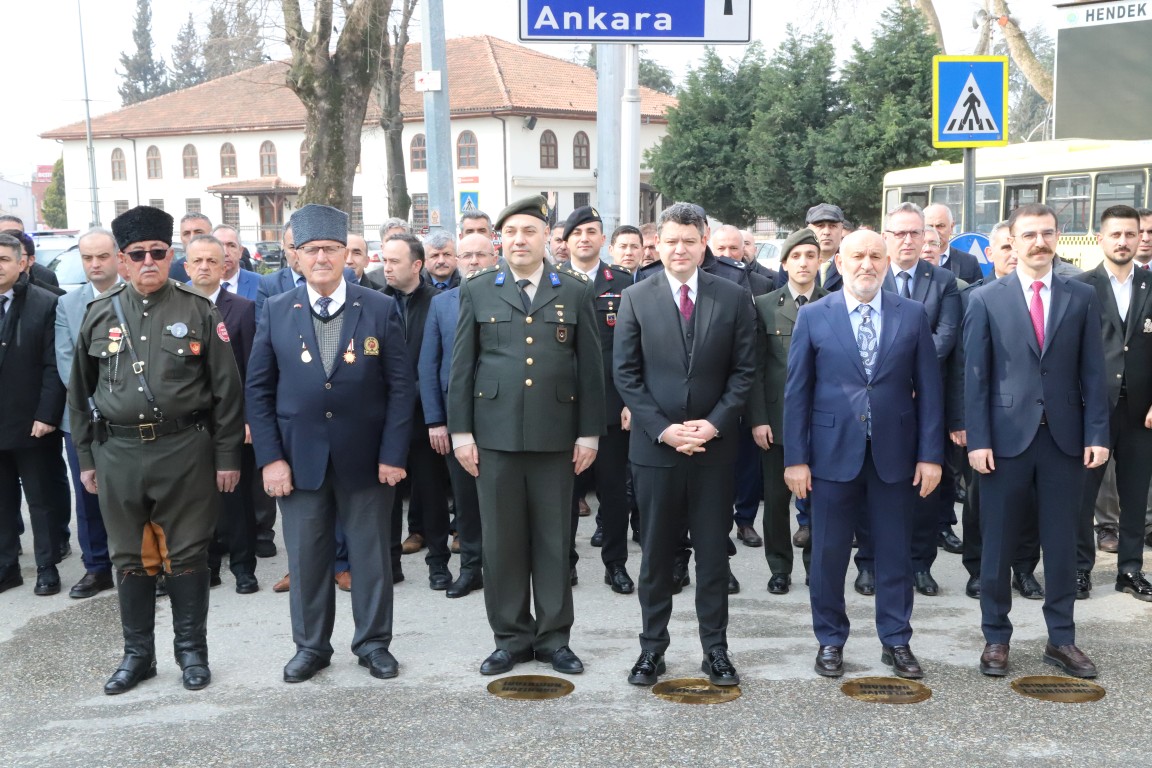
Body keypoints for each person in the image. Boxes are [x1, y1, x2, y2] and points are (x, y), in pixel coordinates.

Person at [68, 205, 245, 694]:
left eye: (158, 253)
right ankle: (137, 656)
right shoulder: (98, 314)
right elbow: (78, 395)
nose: (149, 261)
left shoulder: (198, 311)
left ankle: (191, 654)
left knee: (188, 554)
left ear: (173, 257)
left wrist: (228, 457)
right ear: (122, 261)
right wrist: (86, 458)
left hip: (184, 450)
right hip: (118, 455)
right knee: (130, 557)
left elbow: (228, 394)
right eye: (138, 254)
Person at [246, 204, 413, 683]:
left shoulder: (379, 306)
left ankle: (374, 644)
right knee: (305, 558)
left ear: (347, 255)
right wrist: (271, 459)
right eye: (310, 249)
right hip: (298, 463)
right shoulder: (277, 310)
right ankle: (311, 647)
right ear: (295, 256)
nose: (321, 257)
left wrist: (393, 455)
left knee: (371, 558)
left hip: (367, 461)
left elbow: (401, 388)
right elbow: (258, 390)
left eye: (331, 249)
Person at [448, 195, 604, 677]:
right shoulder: (478, 290)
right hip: (492, 440)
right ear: (501, 240)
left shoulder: (575, 290)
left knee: (555, 541)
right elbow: (462, 368)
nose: (519, 240)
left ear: (546, 239)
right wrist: (461, 433)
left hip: (557, 438)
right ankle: (511, 639)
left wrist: (589, 435)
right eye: (511, 232)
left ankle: (555, 639)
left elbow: (591, 371)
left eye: (529, 231)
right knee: (501, 543)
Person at [784, 229, 943, 680]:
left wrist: (930, 455)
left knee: (894, 553)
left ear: (888, 261)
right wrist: (795, 459)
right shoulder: (815, 316)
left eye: (876, 256)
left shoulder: (911, 315)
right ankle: (830, 640)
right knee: (828, 554)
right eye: (857, 257)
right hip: (830, 456)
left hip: (895, 454)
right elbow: (797, 393)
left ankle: (896, 640)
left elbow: (930, 391)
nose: (866, 265)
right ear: (839, 263)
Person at [964, 203, 1110, 678]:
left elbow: (1094, 370)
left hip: (1066, 441)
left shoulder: (1081, 296)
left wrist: (1097, 433)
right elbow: (976, 377)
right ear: (1013, 240)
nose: (1039, 243)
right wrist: (978, 439)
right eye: (1029, 235)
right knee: (998, 544)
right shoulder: (986, 298)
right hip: (1003, 443)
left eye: (1047, 233)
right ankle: (996, 638)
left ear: (1058, 237)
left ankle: (1062, 640)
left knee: (1063, 543)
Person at [613, 202, 755, 687]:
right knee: (655, 555)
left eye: (688, 241)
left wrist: (714, 425)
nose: (679, 249)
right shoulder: (636, 296)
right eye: (671, 240)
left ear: (704, 241)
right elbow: (626, 375)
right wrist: (662, 429)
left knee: (713, 555)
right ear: (660, 242)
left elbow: (744, 372)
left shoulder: (733, 297)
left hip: (714, 451)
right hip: (656, 451)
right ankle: (652, 649)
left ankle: (715, 649)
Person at [854, 203, 960, 599]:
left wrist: (914, 373)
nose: (908, 240)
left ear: (927, 238)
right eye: (899, 233)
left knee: (926, 484)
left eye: (916, 233)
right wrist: (895, 374)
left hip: (926, 400)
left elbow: (946, 334)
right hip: (877, 404)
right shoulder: (869, 276)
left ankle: (920, 564)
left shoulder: (943, 280)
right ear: (886, 237)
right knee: (870, 483)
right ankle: (868, 563)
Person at [947, 222, 1042, 600]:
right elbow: (961, 365)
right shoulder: (974, 297)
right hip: (985, 420)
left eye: (1012, 246)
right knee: (979, 499)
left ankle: (1024, 569)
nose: (1011, 253)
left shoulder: (1041, 295)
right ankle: (978, 567)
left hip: (1031, 419)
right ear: (991, 253)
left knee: (1030, 499)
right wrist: (961, 420)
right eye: (1003, 247)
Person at [1074, 205, 1152, 602]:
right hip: (1094, 410)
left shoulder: (1151, 284)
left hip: (1142, 412)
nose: (1123, 241)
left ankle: (1130, 570)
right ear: (1100, 238)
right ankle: (1079, 570)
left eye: (1130, 234)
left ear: (1140, 238)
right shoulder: (1081, 287)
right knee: (1083, 494)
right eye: (1115, 234)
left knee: (1135, 494)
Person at [419, 233, 499, 599]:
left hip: (503, 417)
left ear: (493, 258)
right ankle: (470, 568)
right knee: (466, 501)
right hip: (458, 420)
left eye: (480, 254)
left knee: (503, 500)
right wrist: (436, 420)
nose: (473, 261)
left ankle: (505, 569)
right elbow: (429, 364)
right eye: (465, 255)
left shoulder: (509, 297)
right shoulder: (442, 304)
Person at [749, 229, 826, 595]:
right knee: (777, 501)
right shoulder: (764, 305)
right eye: (796, 256)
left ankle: (817, 566)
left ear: (819, 261)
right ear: (784, 263)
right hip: (777, 423)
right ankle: (779, 567)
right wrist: (759, 418)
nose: (804, 262)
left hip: (823, 422)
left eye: (811, 255)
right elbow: (755, 369)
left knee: (820, 500)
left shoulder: (834, 303)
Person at [563, 206, 635, 595]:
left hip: (611, 407)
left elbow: (631, 348)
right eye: (578, 233)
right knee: (564, 494)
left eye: (592, 231)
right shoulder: (552, 283)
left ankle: (616, 565)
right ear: (566, 241)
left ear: (603, 239)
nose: (585, 238)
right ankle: (565, 563)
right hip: (563, 407)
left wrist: (630, 402)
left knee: (613, 492)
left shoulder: (622, 283)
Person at [185, 235, 259, 595]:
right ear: (186, 267)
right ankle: (208, 564)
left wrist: (247, 419)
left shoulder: (243, 309)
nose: (204, 267)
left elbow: (251, 369)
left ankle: (244, 568)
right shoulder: (174, 307)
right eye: (197, 261)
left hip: (231, 421)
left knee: (237, 498)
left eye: (212, 261)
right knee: (198, 500)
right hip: (189, 425)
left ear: (223, 265)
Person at [0, 232, 69, 596]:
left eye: (4, 260)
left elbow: (53, 365)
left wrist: (47, 414)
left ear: (23, 262)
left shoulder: (45, 303)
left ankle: (46, 566)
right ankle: (7, 566)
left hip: (33, 422)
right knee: (2, 501)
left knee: (41, 500)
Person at [54, 228, 120, 599]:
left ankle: (146, 563)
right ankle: (97, 567)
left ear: (117, 257)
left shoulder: (136, 297)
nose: (94, 265)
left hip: (133, 416)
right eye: (87, 258)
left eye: (102, 257)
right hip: (83, 417)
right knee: (89, 492)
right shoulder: (68, 304)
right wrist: (97, 406)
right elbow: (68, 363)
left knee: (139, 494)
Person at [382, 234, 451, 587]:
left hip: (426, 417)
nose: (386, 267)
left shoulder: (439, 303)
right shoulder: (375, 302)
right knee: (388, 494)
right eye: (385, 260)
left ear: (417, 265)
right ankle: (389, 563)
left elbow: (441, 362)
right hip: (386, 419)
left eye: (394, 261)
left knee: (432, 491)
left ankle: (438, 562)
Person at [924, 203, 983, 283]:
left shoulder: (969, 262)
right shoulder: (913, 261)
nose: (935, 231)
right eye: (930, 227)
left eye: (940, 226)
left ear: (951, 227)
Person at [209, 225, 260, 300]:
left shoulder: (260, 284)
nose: (225, 253)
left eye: (231, 246)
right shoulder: (193, 287)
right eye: (219, 246)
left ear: (240, 251)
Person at [806, 203, 848, 290]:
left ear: (841, 230)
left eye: (833, 226)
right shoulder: (794, 262)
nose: (826, 232)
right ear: (809, 230)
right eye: (820, 226)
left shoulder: (851, 262)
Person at [168, 212, 212, 283]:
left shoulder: (225, 266)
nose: (192, 238)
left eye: (198, 232)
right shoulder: (172, 273)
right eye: (186, 233)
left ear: (211, 235)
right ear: (181, 238)